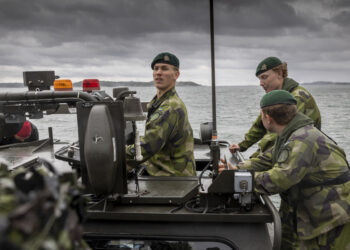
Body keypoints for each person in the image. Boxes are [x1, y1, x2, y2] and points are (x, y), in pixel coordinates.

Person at [220, 90, 350, 249]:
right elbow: (269, 158)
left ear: (267, 117)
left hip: (329, 219)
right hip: (310, 211)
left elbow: (279, 178)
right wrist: (236, 169)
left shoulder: (302, 139)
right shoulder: (292, 134)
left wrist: (239, 179)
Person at [229, 56, 321, 164]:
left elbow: (279, 134)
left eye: (264, 77)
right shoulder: (276, 97)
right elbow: (261, 125)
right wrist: (242, 145)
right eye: (259, 79)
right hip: (288, 151)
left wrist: (252, 161)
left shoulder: (297, 98)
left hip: (303, 155)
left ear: (279, 73)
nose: (260, 83)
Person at [126, 52, 196, 176]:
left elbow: (147, 147)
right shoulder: (159, 102)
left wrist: (114, 153)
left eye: (164, 69)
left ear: (176, 74)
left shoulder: (170, 107)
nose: (158, 72)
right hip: (162, 168)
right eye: (156, 68)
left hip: (172, 177)